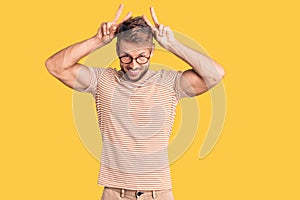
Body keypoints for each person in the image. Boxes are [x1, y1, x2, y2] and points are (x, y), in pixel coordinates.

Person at [45, 4, 225, 200]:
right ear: (117, 51)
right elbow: (55, 66)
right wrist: (97, 40)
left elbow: (215, 75)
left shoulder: (171, 83)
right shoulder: (102, 80)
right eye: (126, 57)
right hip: (115, 193)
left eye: (141, 57)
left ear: (152, 52)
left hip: (159, 193)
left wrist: (173, 44)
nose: (133, 65)